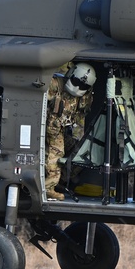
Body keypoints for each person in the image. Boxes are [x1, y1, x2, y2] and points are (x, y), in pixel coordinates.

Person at [45, 62, 96, 200]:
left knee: (81, 151)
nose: (78, 87)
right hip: (47, 129)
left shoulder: (84, 98)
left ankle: (61, 180)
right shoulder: (55, 85)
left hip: (61, 130)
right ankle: (48, 188)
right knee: (57, 152)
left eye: (83, 86)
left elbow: (81, 114)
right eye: (76, 81)